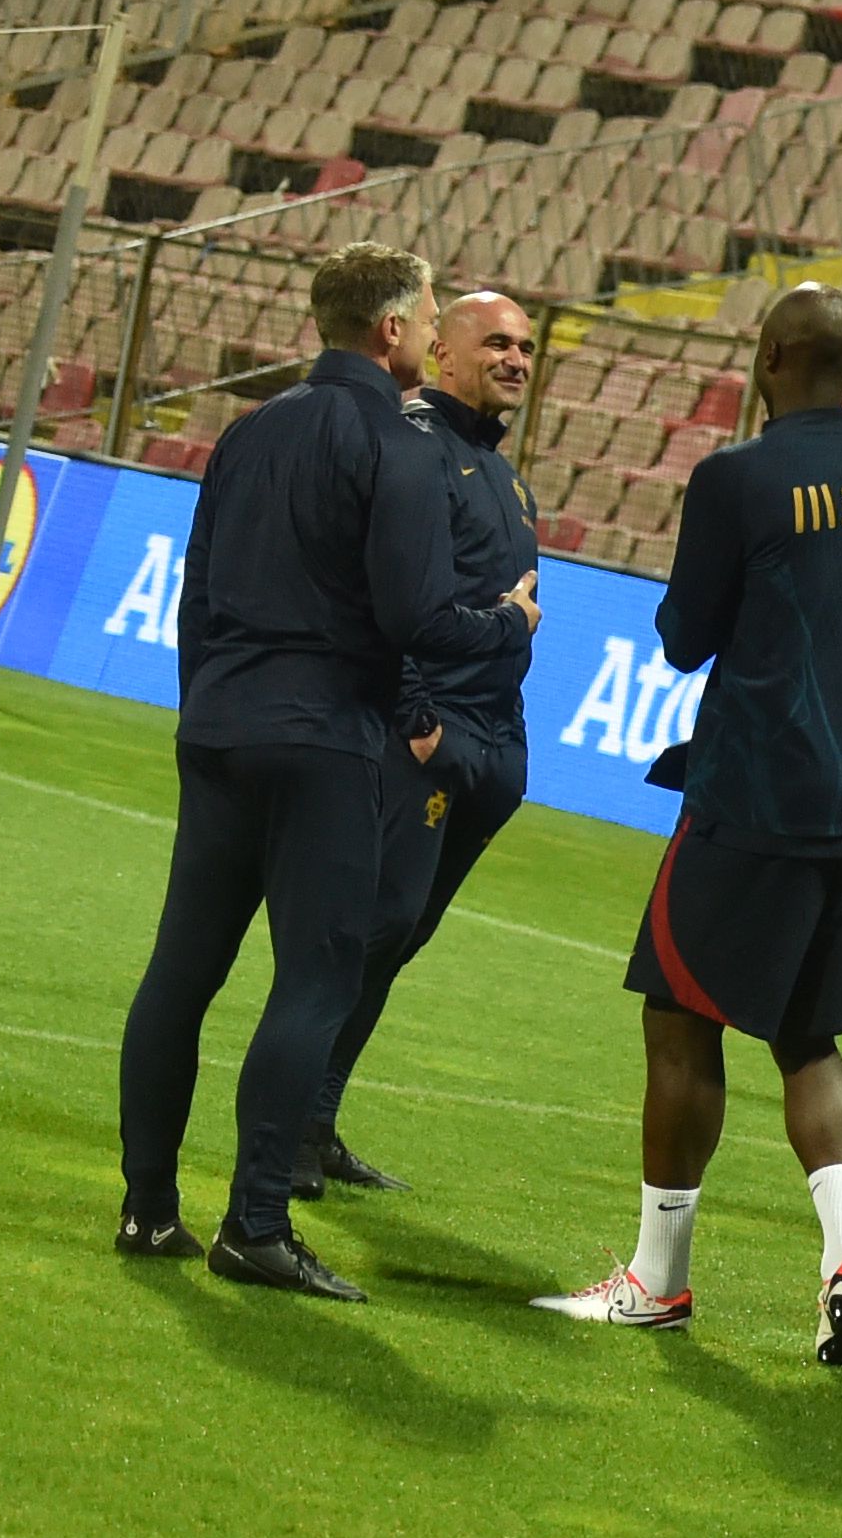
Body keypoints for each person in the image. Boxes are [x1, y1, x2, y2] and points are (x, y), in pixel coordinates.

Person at [118, 242, 532, 1296]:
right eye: (428, 316)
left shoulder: (250, 429)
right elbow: (417, 618)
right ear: (391, 330)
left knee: (181, 973)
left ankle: (148, 1209)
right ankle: (255, 1223)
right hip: (326, 738)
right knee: (318, 976)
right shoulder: (398, 445)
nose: (433, 331)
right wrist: (506, 623)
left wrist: (206, 707)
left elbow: (196, 592)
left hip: (221, 725)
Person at [540, 285, 842, 1358]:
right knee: (808, 1037)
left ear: (772, 355)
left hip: (755, 793)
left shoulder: (737, 476)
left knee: (678, 1017)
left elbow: (684, 637)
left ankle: (658, 1281)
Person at [303, 284, 546, 1195]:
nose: (516, 359)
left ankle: (316, 1121)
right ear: (442, 350)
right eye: (496, 343)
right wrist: (416, 719)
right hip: (427, 739)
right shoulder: (414, 447)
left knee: (398, 939)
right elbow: (386, 595)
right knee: (373, 931)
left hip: (490, 745)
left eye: (526, 347)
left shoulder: (506, 475)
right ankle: (288, 1130)